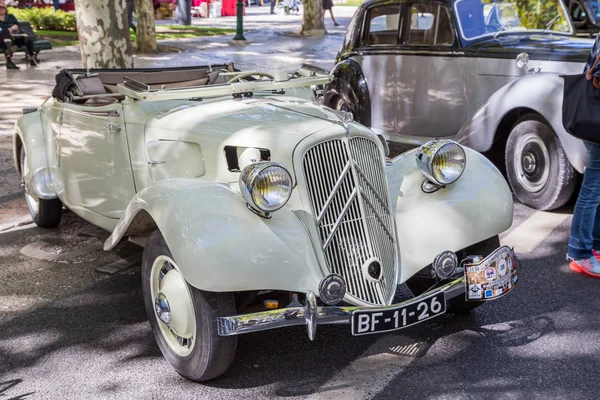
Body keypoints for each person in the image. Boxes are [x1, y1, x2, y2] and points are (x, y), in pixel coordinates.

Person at [567, 34, 600, 278]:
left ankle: (594, 246)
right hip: (597, 124)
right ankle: (579, 252)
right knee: (592, 191)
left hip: (592, 121)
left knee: (597, 190)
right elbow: (597, 77)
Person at [0, 0, 37, 69]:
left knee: (28, 40)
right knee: (4, 34)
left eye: (3, 7)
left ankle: (32, 58)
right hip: (3, 38)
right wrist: (7, 32)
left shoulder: (10, 16)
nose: (1, 9)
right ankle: (9, 62)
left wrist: (10, 30)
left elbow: (17, 25)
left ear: (5, 8)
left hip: (16, 37)